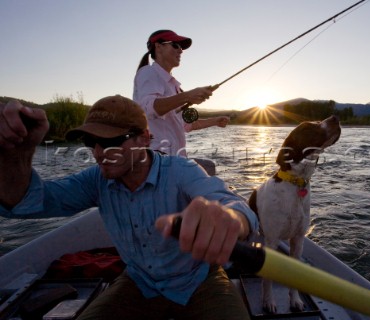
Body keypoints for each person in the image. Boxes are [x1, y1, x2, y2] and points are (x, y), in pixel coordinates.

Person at [0, 95, 258, 320]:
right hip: (139, 281)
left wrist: (230, 219)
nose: (100, 153)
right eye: (91, 142)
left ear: (144, 138)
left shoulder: (182, 170)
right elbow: (26, 203)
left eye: (112, 141)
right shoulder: (96, 180)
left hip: (199, 281)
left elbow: (227, 201)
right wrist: (18, 154)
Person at [133, 29, 230, 158]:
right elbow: (149, 109)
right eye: (175, 45)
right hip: (158, 157)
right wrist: (188, 95)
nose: (180, 50)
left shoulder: (173, 85)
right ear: (158, 46)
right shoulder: (148, 72)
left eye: (181, 47)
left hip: (175, 158)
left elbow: (185, 124)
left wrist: (215, 121)